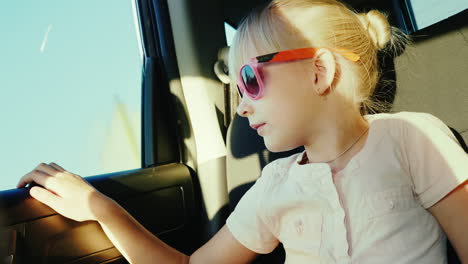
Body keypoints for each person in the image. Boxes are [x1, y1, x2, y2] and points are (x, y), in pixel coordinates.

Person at [17, 0, 468, 263]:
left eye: (250, 80)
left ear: (319, 72)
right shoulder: (274, 185)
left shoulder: (411, 139)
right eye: (236, 88)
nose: (241, 105)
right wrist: (100, 207)